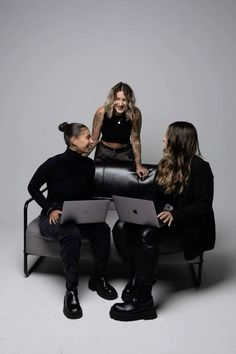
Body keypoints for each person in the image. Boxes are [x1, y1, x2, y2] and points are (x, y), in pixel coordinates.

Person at [110, 121, 215, 322]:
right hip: (161, 220)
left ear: (177, 141)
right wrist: (138, 208)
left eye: (166, 136)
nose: (163, 139)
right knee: (121, 227)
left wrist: (176, 215)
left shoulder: (201, 168)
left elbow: (203, 206)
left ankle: (144, 301)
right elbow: (153, 194)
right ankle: (135, 276)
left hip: (185, 229)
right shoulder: (165, 164)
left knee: (146, 235)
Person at [28, 122, 117, 320]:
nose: (92, 141)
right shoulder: (53, 163)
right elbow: (32, 187)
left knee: (102, 230)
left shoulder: (88, 165)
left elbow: (85, 192)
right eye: (87, 137)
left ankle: (98, 278)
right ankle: (71, 291)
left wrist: (91, 210)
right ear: (73, 141)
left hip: (80, 215)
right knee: (71, 233)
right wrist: (50, 208)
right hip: (54, 216)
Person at [87, 82, 149, 179]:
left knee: (124, 185)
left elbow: (135, 141)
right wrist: (80, 159)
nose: (120, 104)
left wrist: (138, 165)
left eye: (124, 100)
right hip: (104, 153)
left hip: (125, 154)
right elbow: (94, 139)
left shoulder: (135, 113)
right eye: (117, 99)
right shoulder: (101, 112)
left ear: (129, 101)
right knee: (99, 183)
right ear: (112, 99)